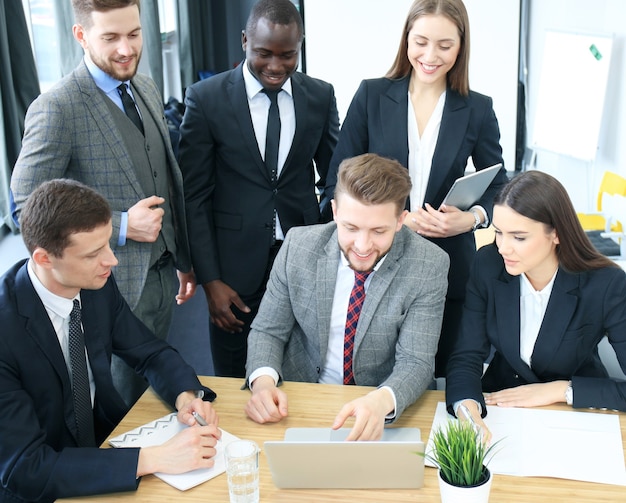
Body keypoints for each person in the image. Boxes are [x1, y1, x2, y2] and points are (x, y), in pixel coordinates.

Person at [10, 0, 193, 407]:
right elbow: (25, 206)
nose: (126, 49)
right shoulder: (57, 107)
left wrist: (181, 258)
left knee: (154, 394)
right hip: (109, 286)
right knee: (119, 408)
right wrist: (123, 225)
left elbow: (163, 175)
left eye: (134, 34)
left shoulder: (144, 86)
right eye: (110, 38)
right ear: (81, 36)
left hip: (162, 275)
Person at [0, 179, 220, 503]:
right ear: (44, 258)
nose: (111, 260)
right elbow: (26, 467)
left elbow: (149, 351)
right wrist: (154, 458)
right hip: (44, 485)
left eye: (107, 244)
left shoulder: (94, 283)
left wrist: (186, 396)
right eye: (93, 253)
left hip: (106, 447)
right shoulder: (6, 330)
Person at [323, 0, 509, 378]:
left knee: (439, 375)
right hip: (375, 260)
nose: (430, 55)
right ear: (406, 39)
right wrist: (387, 224)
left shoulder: (477, 108)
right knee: (373, 373)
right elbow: (334, 182)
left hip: (448, 265)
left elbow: (500, 186)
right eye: (420, 41)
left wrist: (471, 219)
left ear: (461, 46)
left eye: (445, 45)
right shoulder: (372, 95)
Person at [178, 0, 340, 378]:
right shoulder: (206, 99)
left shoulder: (320, 96)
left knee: (301, 364)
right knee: (235, 371)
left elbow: (334, 174)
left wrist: (324, 236)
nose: (275, 66)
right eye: (264, 53)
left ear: (301, 45)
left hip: (299, 254)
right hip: (231, 267)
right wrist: (210, 281)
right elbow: (194, 197)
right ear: (244, 40)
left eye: (288, 55)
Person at [244, 153, 449, 441]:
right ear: (335, 211)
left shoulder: (428, 264)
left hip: (383, 403)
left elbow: (416, 362)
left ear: (401, 220)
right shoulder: (298, 247)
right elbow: (268, 330)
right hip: (301, 399)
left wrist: (381, 401)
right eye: (351, 228)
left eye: (378, 231)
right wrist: (263, 384)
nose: (363, 246)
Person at [445, 170, 626, 442]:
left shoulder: (606, 284)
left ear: (557, 234)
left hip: (576, 416)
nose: (504, 248)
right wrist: (467, 410)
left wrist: (560, 390)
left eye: (518, 237)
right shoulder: (488, 265)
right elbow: (466, 356)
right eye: (498, 233)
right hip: (501, 408)